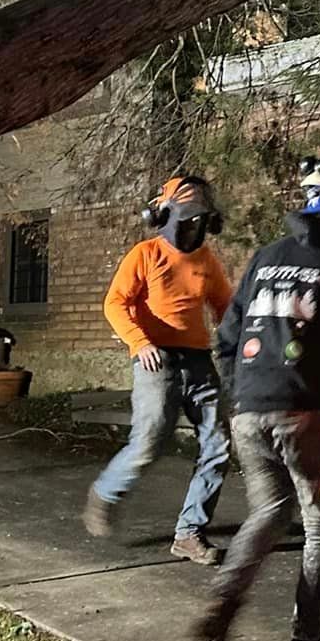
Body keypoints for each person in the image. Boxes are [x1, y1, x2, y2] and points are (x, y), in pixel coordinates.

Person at [195, 159, 320, 641]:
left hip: (249, 409)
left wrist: (243, 391)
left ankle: (225, 600)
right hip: (306, 410)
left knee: (269, 510)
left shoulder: (266, 257)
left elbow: (227, 335)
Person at [84, 174, 233, 564]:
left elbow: (225, 307)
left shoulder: (206, 261)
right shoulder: (145, 254)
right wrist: (140, 341)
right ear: (164, 214)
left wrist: (241, 338)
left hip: (199, 362)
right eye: (188, 218)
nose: (194, 227)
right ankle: (106, 492)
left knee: (217, 446)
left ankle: (189, 533)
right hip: (155, 359)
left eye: (200, 219)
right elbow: (115, 303)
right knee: (149, 442)